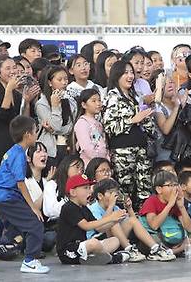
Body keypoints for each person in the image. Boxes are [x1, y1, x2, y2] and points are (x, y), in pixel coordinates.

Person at [0, 116, 50, 274]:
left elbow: (4, 179)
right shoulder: (18, 155)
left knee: (12, 235)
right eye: (34, 132)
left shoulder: (13, 151)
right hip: (7, 198)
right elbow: (20, 183)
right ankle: (30, 261)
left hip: (3, 198)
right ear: (27, 134)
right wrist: (33, 207)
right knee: (36, 224)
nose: (36, 135)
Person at [103, 61, 155, 211]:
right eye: (125, 72)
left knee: (144, 187)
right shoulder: (113, 96)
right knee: (125, 189)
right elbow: (109, 126)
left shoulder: (135, 96)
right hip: (122, 151)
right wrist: (133, 120)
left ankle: (144, 221)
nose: (130, 75)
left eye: (131, 72)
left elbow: (143, 122)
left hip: (141, 148)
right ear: (117, 75)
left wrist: (146, 118)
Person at [88, 178, 176, 261]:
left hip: (115, 239)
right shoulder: (94, 208)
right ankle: (129, 250)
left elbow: (134, 222)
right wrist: (111, 207)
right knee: (114, 221)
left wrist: (129, 208)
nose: (114, 196)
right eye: (110, 193)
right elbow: (99, 228)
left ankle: (155, 248)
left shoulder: (115, 207)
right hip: (98, 239)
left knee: (130, 220)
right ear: (100, 196)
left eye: (115, 193)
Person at [56, 174, 127, 265]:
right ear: (73, 192)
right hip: (68, 252)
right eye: (85, 188)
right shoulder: (68, 207)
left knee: (115, 241)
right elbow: (86, 226)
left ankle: (93, 258)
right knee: (93, 243)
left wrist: (115, 221)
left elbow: (99, 228)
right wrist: (110, 217)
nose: (90, 191)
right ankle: (112, 258)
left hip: (83, 246)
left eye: (89, 188)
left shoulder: (84, 208)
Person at [0, 57, 39, 170]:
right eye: (8, 68)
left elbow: (22, 120)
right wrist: (9, 89)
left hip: (14, 141)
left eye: (14, 67)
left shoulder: (16, 93)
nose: (13, 71)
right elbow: (3, 115)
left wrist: (26, 101)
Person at [138, 171, 191, 255]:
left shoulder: (176, 202)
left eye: (176, 185)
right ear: (159, 189)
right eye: (170, 185)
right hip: (157, 236)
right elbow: (154, 225)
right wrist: (169, 205)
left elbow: (189, 228)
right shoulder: (151, 201)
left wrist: (181, 207)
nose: (174, 189)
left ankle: (171, 252)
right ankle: (178, 250)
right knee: (153, 240)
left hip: (172, 234)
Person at [36, 65, 75, 162]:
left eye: (66, 79)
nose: (64, 82)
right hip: (51, 151)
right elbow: (55, 126)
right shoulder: (42, 104)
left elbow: (72, 126)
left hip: (68, 146)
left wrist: (54, 130)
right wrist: (55, 106)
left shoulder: (70, 101)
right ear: (50, 82)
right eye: (59, 79)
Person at [24, 141, 57, 252]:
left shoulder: (46, 180)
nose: (44, 155)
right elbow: (34, 208)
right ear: (28, 158)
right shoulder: (24, 182)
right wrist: (48, 185)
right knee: (50, 237)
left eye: (45, 151)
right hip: (33, 227)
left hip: (49, 224)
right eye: (38, 152)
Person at [73, 89, 110, 166]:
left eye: (99, 100)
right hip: (90, 164)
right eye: (93, 101)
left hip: (103, 163)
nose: (98, 103)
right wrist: (99, 162)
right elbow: (87, 148)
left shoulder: (99, 123)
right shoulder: (82, 123)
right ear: (84, 105)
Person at [43, 155, 84, 221]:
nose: (80, 172)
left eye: (82, 169)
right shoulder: (51, 185)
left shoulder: (82, 187)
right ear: (66, 166)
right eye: (77, 167)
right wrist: (71, 198)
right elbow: (50, 211)